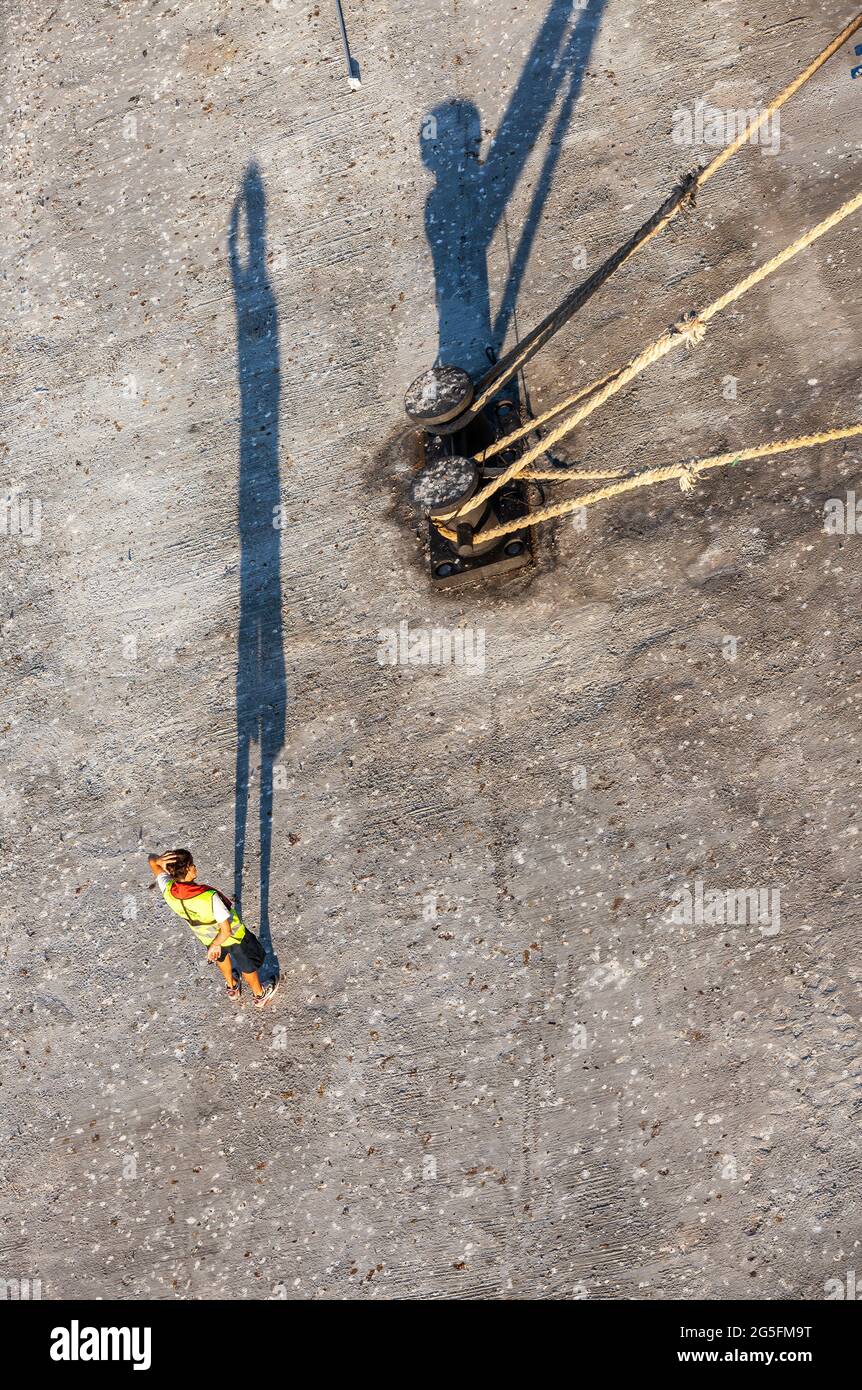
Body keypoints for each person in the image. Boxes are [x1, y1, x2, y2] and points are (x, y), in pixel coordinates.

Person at [147, 849, 279, 1008]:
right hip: (234, 937)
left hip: (206, 937)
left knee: (221, 958)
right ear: (188, 869)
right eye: (192, 865)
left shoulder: (168, 889)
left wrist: (160, 861)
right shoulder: (208, 897)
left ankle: (232, 987)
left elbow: (152, 861)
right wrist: (217, 944)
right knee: (246, 965)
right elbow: (226, 930)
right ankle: (260, 995)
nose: (195, 867)